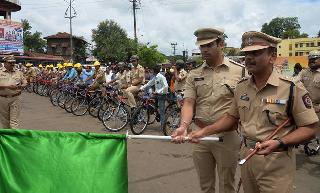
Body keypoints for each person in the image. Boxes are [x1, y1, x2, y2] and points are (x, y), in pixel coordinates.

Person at [189, 31, 319, 193]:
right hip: (247, 157)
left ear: (272, 56)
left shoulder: (291, 88)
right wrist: (204, 131)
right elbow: (231, 118)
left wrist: (280, 142)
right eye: (247, 53)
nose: (249, 58)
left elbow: (310, 128)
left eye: (256, 53)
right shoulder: (242, 87)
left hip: (275, 161)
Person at [172, 27, 244, 193]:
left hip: (227, 136)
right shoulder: (194, 74)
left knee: (227, 185)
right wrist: (183, 126)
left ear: (221, 44)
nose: (204, 49)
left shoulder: (240, 71)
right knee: (205, 185)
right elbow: (189, 103)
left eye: (209, 45)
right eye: (201, 46)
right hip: (199, 133)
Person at [0, 55, 27, 128]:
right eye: (10, 62)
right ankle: (7, 138)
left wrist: (22, 86)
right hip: (2, 99)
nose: (12, 64)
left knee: (14, 121)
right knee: (4, 121)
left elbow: (25, 82)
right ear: (5, 63)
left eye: (13, 62)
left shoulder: (19, 72)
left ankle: (14, 137)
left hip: (16, 98)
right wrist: (7, 87)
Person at [140, 65, 168, 131]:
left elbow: (166, 87)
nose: (151, 71)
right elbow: (149, 83)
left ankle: (163, 126)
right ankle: (154, 111)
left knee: (161, 110)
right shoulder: (155, 77)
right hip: (156, 94)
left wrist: (158, 91)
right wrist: (142, 88)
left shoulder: (161, 77)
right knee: (147, 99)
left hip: (162, 95)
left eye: (152, 70)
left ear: (154, 71)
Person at [299, 50, 320, 129]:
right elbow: (295, 82)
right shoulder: (304, 72)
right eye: (310, 59)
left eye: (314, 59)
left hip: (317, 108)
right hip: (304, 107)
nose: (311, 61)